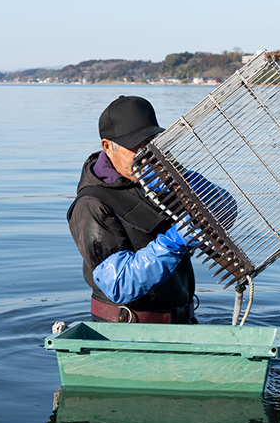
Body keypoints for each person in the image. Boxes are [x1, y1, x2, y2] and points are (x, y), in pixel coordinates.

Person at [67, 95, 201, 324]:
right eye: (135, 148)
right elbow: (120, 284)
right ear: (107, 146)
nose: (145, 156)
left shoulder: (157, 181)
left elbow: (225, 208)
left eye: (150, 144)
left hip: (180, 322)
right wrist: (174, 242)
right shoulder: (92, 204)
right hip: (126, 332)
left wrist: (186, 180)